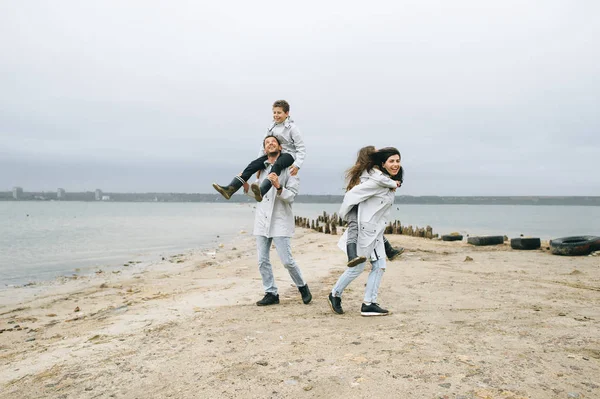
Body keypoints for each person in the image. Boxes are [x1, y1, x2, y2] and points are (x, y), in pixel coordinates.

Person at [328, 147, 402, 316]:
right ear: (382, 164)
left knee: (380, 266)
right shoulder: (375, 182)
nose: (395, 164)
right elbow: (350, 197)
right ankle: (335, 294)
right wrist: (347, 216)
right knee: (357, 268)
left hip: (375, 232)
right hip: (366, 230)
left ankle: (369, 303)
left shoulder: (384, 180)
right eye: (392, 161)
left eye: (398, 161)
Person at [247, 135, 312, 306]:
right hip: (262, 220)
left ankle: (302, 286)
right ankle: (271, 293)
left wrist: (278, 186)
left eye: (273, 142)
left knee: (287, 261)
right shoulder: (261, 169)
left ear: (280, 147)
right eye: (267, 143)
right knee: (262, 260)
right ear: (264, 149)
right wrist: (246, 187)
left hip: (280, 220)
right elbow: (257, 195)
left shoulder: (289, 169)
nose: (270, 144)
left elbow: (291, 196)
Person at [212, 100, 306, 202]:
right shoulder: (271, 127)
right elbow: (263, 146)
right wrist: (259, 164)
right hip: (274, 154)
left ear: (287, 113)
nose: (276, 115)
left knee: (277, 165)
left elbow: (301, 148)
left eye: (279, 113)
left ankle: (262, 191)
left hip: (288, 154)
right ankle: (231, 189)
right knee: (252, 165)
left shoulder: (293, 128)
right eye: (274, 112)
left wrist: (297, 165)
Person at [344, 146, 404, 267]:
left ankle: (389, 250)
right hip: (354, 206)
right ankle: (351, 256)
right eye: (376, 153)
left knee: (376, 227)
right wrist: (393, 183)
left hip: (360, 203)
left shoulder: (365, 171)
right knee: (354, 229)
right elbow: (381, 180)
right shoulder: (371, 172)